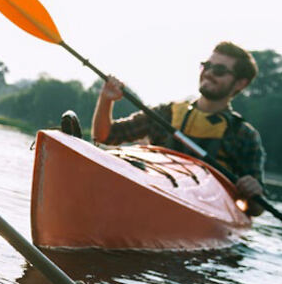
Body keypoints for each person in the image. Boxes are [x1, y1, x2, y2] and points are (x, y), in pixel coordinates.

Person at [91, 42, 267, 215]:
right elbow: (105, 137)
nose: (209, 73)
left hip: (204, 209)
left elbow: (256, 208)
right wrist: (106, 100)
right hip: (151, 188)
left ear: (240, 83)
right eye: (206, 65)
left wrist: (252, 190)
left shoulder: (243, 135)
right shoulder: (166, 113)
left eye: (219, 70)